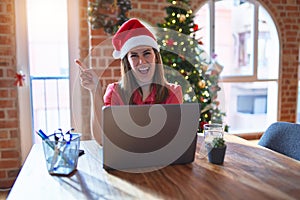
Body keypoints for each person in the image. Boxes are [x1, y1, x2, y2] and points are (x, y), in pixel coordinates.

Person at [75, 18, 183, 145]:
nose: (142, 62)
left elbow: (171, 139)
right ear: (127, 62)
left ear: (156, 57)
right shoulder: (115, 92)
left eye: (146, 53)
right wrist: (95, 90)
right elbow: (102, 139)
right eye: (134, 56)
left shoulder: (173, 92)